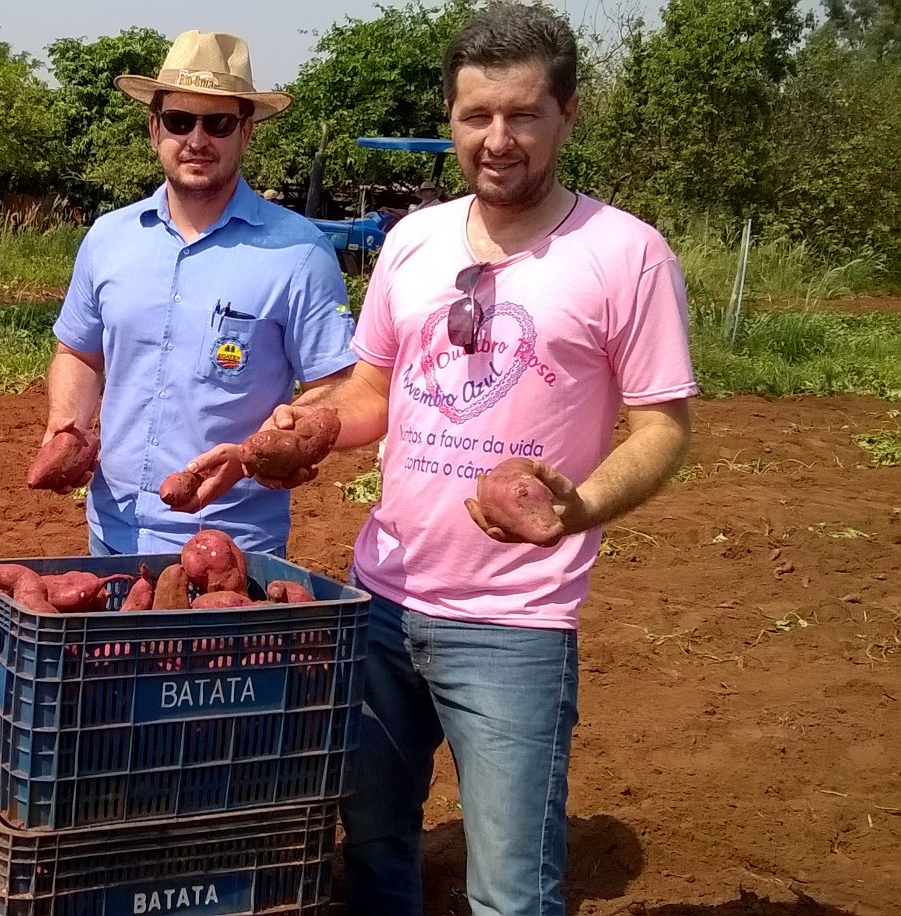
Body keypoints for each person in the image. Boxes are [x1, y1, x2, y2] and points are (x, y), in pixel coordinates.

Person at [195, 5, 697, 912]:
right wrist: (290, 435)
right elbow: (371, 394)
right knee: (376, 844)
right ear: (452, 119)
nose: (497, 140)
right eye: (476, 117)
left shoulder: (627, 255)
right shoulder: (412, 242)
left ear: (567, 113)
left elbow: (663, 428)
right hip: (381, 600)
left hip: (515, 623)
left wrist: (575, 508)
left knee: (510, 889)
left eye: (523, 115)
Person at [43, 29, 358, 556]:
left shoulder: (299, 253)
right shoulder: (108, 239)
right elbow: (78, 351)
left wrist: (256, 451)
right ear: (154, 128)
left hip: (233, 546)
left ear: (246, 133)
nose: (196, 139)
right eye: (179, 120)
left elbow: (339, 384)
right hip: (111, 533)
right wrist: (66, 425)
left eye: (218, 123)